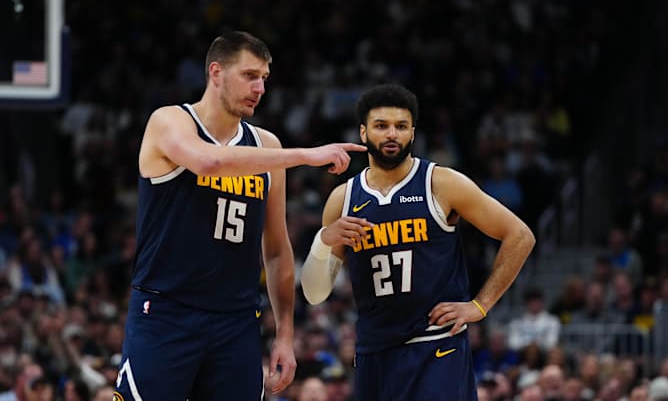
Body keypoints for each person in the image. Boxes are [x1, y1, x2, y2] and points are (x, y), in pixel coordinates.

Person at [114, 30, 365, 401]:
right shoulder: (169, 121)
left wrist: (284, 334)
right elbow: (208, 162)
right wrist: (307, 155)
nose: (260, 87)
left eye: (264, 78)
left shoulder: (267, 147)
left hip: (236, 323)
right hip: (166, 313)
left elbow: (277, 250)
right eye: (249, 75)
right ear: (216, 73)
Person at [300, 84, 535, 400]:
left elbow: (520, 236)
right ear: (363, 132)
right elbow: (315, 294)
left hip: (435, 347)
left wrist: (480, 306)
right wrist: (324, 240)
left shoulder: (441, 183)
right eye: (381, 126)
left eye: (401, 126)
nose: (392, 134)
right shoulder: (343, 199)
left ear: (413, 133)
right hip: (374, 351)